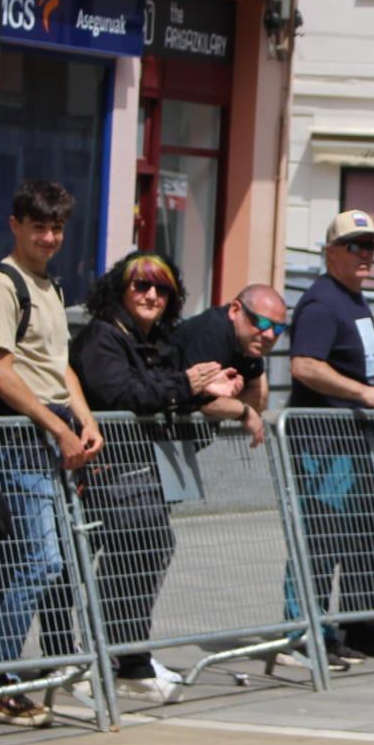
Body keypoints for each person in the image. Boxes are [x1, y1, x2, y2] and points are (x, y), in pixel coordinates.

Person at [70, 252, 242, 703]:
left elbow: (164, 394)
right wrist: (187, 385)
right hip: (106, 470)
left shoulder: (155, 339)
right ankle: (83, 657)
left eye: (161, 289)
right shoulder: (103, 336)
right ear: (119, 290)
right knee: (86, 567)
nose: (151, 296)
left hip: (145, 472)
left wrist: (208, 388)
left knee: (146, 552)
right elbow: (122, 394)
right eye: (141, 286)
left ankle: (128, 658)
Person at [0, 179, 104, 727]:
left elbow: (57, 364)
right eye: (38, 226)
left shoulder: (49, 286)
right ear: (15, 225)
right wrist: (58, 427)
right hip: (17, 436)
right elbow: (0, 374)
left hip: (47, 431)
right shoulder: (1, 285)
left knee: (26, 559)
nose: (49, 237)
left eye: (57, 228)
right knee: (36, 559)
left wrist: (85, 419)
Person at [283, 210, 374, 663]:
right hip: (323, 446)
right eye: (356, 246)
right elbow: (304, 365)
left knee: (339, 539)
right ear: (331, 252)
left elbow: (357, 369)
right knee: (318, 543)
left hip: (347, 444)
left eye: (371, 246)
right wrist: (367, 392)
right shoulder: (323, 302)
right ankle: (299, 636)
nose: (366, 254)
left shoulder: (352, 299)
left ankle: (323, 634)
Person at [168, 284, 287, 447]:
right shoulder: (212, 332)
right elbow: (204, 399)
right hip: (146, 437)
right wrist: (243, 411)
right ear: (235, 310)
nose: (269, 335)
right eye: (262, 322)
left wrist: (231, 405)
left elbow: (260, 396)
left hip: (180, 442)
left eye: (279, 328)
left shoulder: (249, 343)